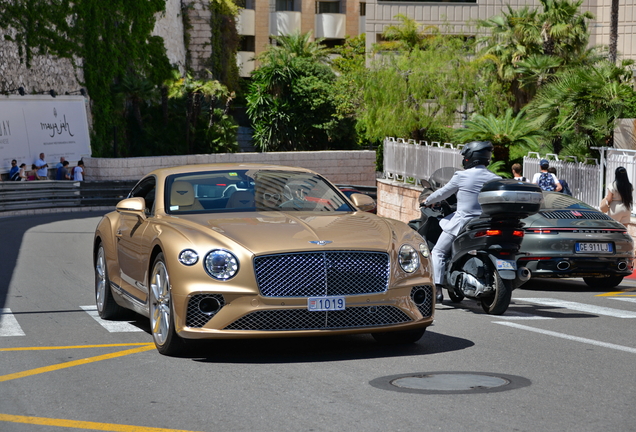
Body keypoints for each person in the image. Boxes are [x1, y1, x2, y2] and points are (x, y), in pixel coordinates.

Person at [423, 141, 501, 303]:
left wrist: (427, 200)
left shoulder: (462, 176)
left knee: (438, 252)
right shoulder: (495, 178)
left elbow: (443, 193)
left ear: (470, 157)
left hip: (463, 222)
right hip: (486, 223)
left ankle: (437, 288)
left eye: (465, 156)